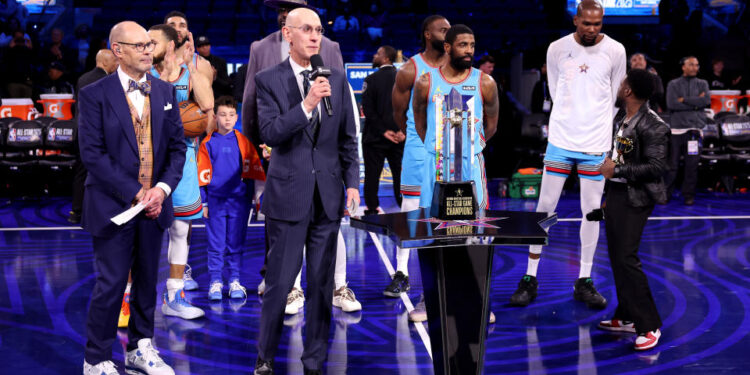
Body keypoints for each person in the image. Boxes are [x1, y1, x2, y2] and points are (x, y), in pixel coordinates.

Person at [253, 8, 359, 374]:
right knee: (279, 286)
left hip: (327, 199)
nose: (315, 36)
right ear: (288, 34)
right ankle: (264, 358)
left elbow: (348, 141)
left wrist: (353, 185)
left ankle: (314, 360)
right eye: (307, 30)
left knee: (320, 287)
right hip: (288, 197)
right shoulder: (269, 80)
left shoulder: (337, 80)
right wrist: (308, 103)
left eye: (318, 30)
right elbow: (269, 132)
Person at [79, 21, 184, 375]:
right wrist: (138, 192)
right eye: (138, 45)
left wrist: (161, 190)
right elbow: (92, 155)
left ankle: (141, 348)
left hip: (154, 207)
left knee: (146, 282)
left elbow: (176, 150)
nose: (147, 50)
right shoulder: (95, 94)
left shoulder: (166, 92)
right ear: (117, 50)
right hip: (114, 207)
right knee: (110, 285)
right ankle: (96, 360)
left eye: (149, 45)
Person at [509, 0, 626, 309]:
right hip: (561, 140)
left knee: (592, 211)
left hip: (596, 144)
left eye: (597, 24)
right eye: (586, 23)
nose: (591, 29)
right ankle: (530, 277)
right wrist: (572, 120)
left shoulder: (616, 51)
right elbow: (556, 91)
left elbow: (616, 97)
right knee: (544, 208)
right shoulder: (557, 48)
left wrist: (599, 133)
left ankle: (584, 280)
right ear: (576, 20)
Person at [148, 19, 213, 320]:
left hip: (183, 159)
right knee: (142, 231)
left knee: (180, 229)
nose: (148, 47)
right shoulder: (144, 75)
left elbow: (209, 114)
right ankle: (129, 296)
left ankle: (174, 295)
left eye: (153, 43)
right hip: (149, 160)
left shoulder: (193, 75)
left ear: (170, 45)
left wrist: (196, 123)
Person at [598, 69, 667, 351]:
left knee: (627, 258)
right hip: (617, 193)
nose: (620, 85)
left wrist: (618, 170)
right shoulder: (622, 118)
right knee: (616, 257)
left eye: (623, 82)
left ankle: (649, 325)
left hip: (637, 197)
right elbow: (619, 153)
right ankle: (626, 315)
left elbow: (657, 168)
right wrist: (609, 186)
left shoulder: (654, 125)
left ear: (628, 91)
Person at [386, 14, 450, 306]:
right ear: (427, 33)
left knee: (448, 212)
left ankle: (444, 275)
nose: (447, 33)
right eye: (442, 29)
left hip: (450, 149)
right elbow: (399, 111)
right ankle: (401, 272)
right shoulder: (411, 68)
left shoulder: (457, 65)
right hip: (417, 148)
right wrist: (414, 134)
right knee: (411, 208)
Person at [413, 23, 499, 219]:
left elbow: (491, 125)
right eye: (463, 45)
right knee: (431, 226)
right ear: (447, 47)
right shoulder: (425, 82)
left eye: (472, 45)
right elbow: (420, 123)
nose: (469, 50)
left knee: (475, 228)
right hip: (436, 164)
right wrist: (438, 147)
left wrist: (470, 147)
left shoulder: (485, 82)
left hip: (470, 165)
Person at [197, 96, 265, 301]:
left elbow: (254, 173)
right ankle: (216, 281)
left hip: (239, 202)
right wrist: (205, 202)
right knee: (216, 244)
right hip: (215, 202)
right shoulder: (207, 143)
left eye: (231, 115)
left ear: (237, 116)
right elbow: (202, 176)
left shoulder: (244, 142)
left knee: (236, 243)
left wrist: (255, 200)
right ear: (215, 117)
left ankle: (235, 280)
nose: (227, 119)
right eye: (223, 115)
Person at [69, 49, 118, 225]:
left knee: (81, 172)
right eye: (114, 61)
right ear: (105, 62)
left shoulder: (82, 78)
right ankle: (101, 210)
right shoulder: (108, 80)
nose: (117, 65)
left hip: (80, 132)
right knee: (103, 171)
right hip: (98, 134)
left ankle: (77, 211)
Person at [361, 45, 404, 215]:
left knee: (372, 175)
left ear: (386, 58)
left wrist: (383, 131)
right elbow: (412, 108)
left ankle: (372, 209)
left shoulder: (371, 80)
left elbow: (368, 110)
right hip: (400, 138)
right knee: (400, 177)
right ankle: (405, 208)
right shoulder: (404, 79)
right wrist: (403, 131)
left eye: (378, 53)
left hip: (375, 138)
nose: (374, 55)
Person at [665, 56, 709, 205]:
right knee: (672, 166)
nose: (694, 67)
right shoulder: (673, 84)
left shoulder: (703, 83)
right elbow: (671, 104)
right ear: (683, 67)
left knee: (692, 166)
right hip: (677, 131)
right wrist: (696, 103)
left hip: (694, 132)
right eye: (691, 65)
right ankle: (666, 194)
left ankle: (688, 195)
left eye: (697, 65)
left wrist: (684, 100)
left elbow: (705, 101)